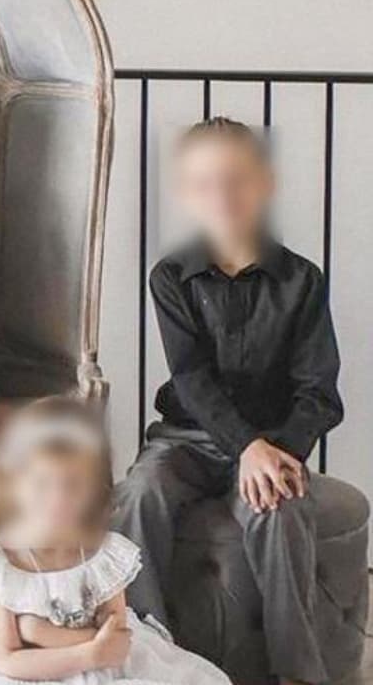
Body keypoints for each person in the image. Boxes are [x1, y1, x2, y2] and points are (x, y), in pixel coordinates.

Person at [112, 117, 343, 685]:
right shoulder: (171, 277)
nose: (223, 195)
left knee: (281, 510)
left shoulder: (302, 280)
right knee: (139, 493)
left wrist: (277, 453)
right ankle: (147, 650)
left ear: (264, 184)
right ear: (186, 195)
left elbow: (319, 390)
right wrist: (246, 446)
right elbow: (191, 379)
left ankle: (297, 672)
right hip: (186, 439)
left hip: (274, 438)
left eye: (237, 180)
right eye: (205, 184)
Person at [0, 398, 231, 684]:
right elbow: (6, 660)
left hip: (105, 672)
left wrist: (36, 632)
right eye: (43, 484)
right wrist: (89, 652)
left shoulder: (101, 554)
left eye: (73, 485)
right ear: (14, 484)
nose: (59, 499)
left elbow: (116, 640)